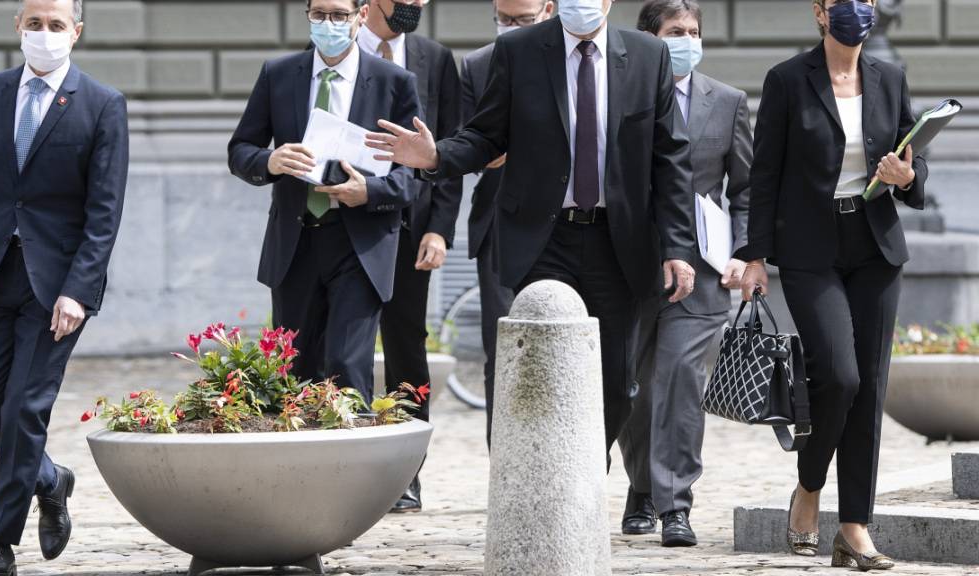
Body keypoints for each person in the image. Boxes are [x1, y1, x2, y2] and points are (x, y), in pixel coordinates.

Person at [367, 0, 698, 458]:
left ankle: (580, 474)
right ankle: (540, 477)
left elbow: (671, 159)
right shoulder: (520, 50)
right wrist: (436, 156)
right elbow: (486, 135)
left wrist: (677, 246)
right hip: (543, 238)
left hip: (618, 240)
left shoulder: (647, 55)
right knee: (538, 370)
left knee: (616, 383)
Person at [738, 0, 926, 568]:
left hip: (874, 247)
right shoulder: (788, 79)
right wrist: (754, 258)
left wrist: (906, 176)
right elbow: (763, 172)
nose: (855, 10)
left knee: (869, 385)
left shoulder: (889, 77)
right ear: (820, 12)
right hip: (809, 250)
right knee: (839, 376)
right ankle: (810, 485)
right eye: (842, 1)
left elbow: (913, 167)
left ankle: (854, 527)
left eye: (865, 0)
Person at [0, 0, 129, 573]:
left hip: (56, 289)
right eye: (35, 24)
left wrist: (80, 290)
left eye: (57, 25)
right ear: (18, 28)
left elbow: (103, 214)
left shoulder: (104, 105)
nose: (45, 34)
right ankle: (51, 480)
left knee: (24, 409)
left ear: (76, 33)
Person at [227, 0, 421, 415]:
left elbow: (413, 177)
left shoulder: (394, 82)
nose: (328, 24)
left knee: (346, 366)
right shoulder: (279, 74)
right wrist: (270, 162)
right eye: (319, 14)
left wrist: (368, 190)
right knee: (292, 371)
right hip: (296, 243)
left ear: (361, 15)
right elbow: (240, 149)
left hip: (359, 243)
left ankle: (355, 475)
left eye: (338, 15)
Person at [616, 0, 751, 547]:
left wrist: (745, 252)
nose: (687, 41)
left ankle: (675, 504)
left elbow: (744, 189)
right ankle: (642, 485)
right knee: (632, 390)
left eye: (694, 32)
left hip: (702, 269)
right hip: (629, 264)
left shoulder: (729, 101)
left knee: (678, 386)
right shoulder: (619, 94)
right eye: (676, 32)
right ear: (651, 38)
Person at [356, 0, 462, 513]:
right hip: (346, 221)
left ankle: (406, 472)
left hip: (411, 225)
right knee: (342, 343)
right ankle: (345, 460)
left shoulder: (436, 58)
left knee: (405, 344)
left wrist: (440, 228)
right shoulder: (337, 50)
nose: (415, 4)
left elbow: (448, 149)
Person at [460, 0, 555, 447]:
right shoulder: (477, 64)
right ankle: (504, 459)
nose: (512, 28)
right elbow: (468, 140)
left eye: (523, 19)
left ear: (548, 9)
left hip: (565, 222)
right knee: (501, 348)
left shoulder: (576, 59)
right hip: (499, 222)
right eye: (504, 19)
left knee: (562, 343)